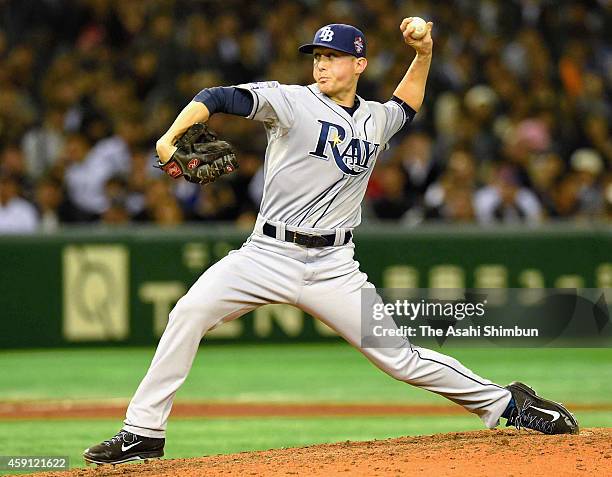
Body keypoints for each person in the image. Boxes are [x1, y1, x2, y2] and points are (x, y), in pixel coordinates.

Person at [83, 20, 578, 465]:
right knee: (188, 313)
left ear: (359, 64)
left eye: (333, 56)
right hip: (266, 254)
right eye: (317, 56)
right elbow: (218, 96)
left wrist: (424, 54)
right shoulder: (293, 101)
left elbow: (405, 105)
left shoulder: (375, 120)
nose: (321, 64)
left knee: (399, 358)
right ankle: (143, 432)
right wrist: (170, 138)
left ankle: (509, 403)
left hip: (334, 265)